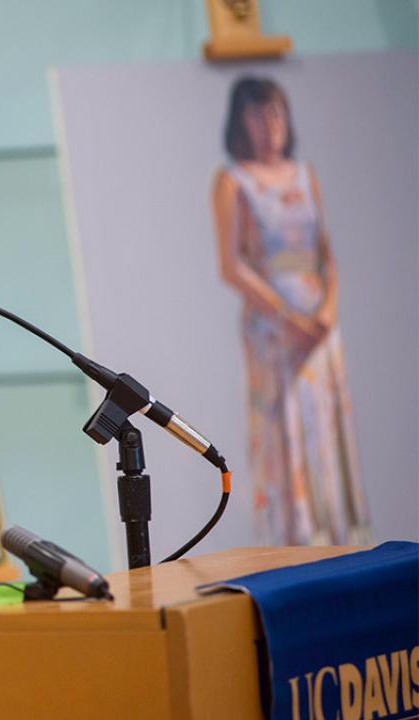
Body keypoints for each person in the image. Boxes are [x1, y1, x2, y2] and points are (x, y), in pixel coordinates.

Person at [211, 76, 369, 547]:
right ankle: (295, 538)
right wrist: (289, 318)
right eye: (258, 114)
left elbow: (327, 253)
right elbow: (231, 265)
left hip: (319, 326)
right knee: (285, 427)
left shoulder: (306, 174)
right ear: (241, 122)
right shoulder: (232, 181)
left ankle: (339, 532)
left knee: (325, 420)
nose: (269, 124)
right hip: (274, 328)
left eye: (276, 112)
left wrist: (327, 312)